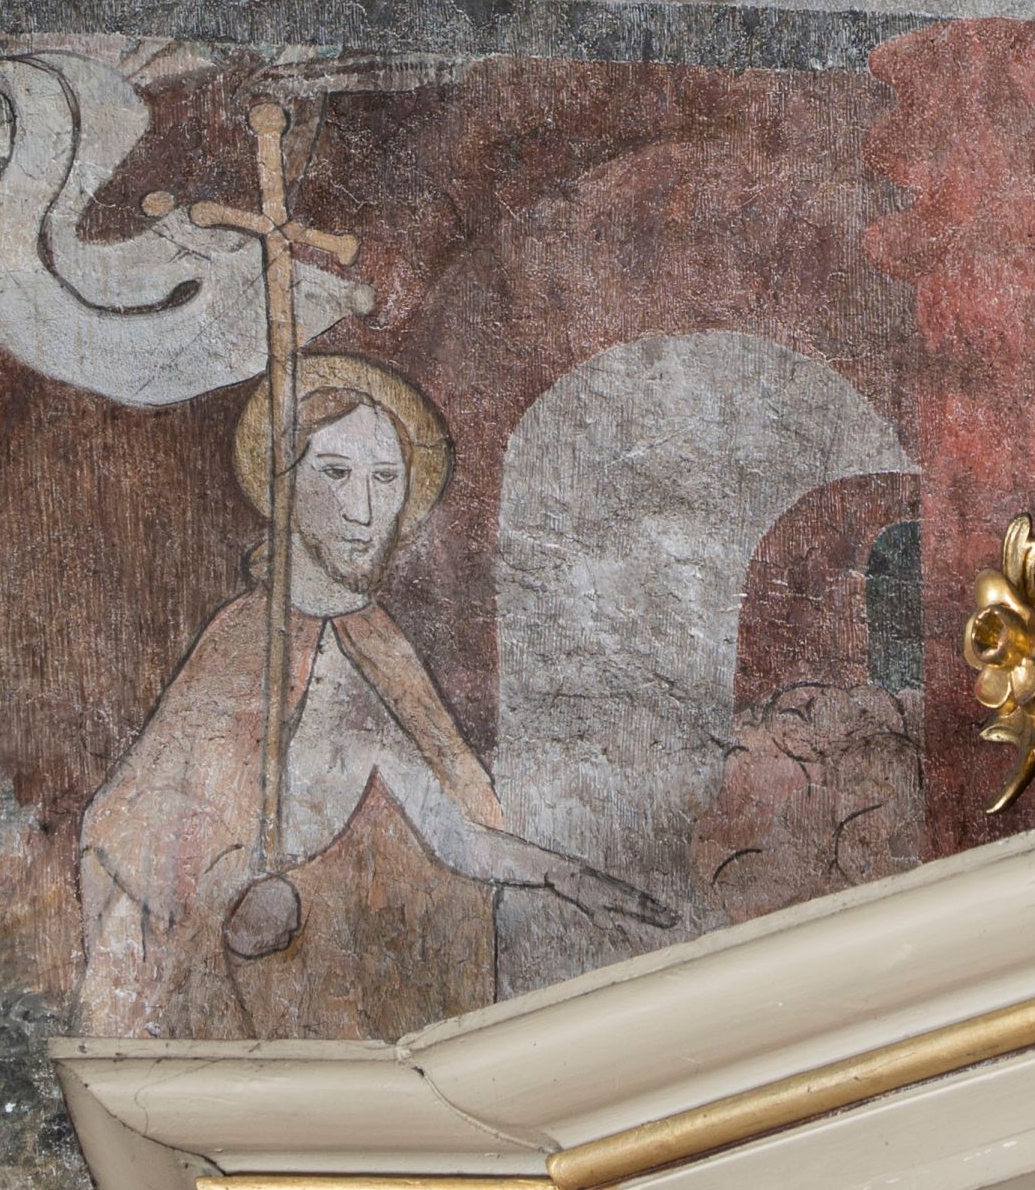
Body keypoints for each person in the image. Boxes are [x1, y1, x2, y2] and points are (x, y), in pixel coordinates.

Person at [76, 355, 663, 1037]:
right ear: (285, 486)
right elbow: (129, 836)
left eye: (385, 478)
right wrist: (230, 894)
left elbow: (449, 831)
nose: (363, 512)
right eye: (335, 473)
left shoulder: (380, 648)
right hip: (239, 1023)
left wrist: (562, 874)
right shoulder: (240, 645)